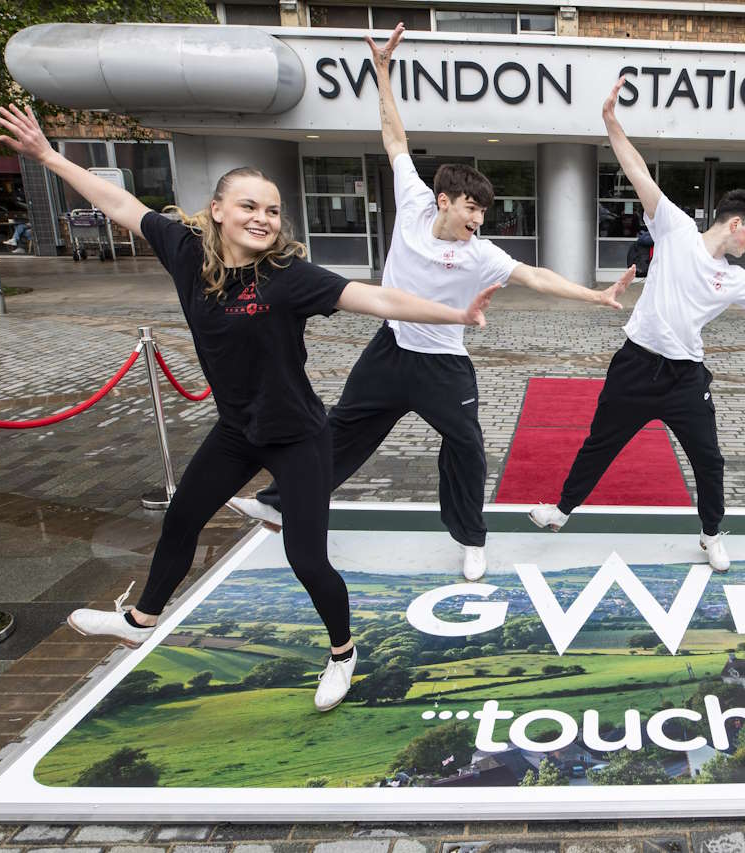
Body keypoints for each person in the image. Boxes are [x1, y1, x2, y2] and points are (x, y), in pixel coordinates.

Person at [0, 102, 499, 713]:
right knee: (182, 519)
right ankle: (140, 617)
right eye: (249, 206)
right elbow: (121, 205)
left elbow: (377, 297)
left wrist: (457, 314)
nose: (262, 218)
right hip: (237, 432)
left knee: (307, 559)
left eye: (272, 209)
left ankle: (343, 653)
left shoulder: (288, 275)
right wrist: (50, 157)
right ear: (218, 211)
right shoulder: (185, 254)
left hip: (299, 437)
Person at [229, 25, 635, 583]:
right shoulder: (415, 201)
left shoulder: (482, 253)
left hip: (443, 363)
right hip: (390, 349)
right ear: (444, 200)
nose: (477, 220)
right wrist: (383, 72)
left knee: (466, 445)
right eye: (471, 208)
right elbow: (395, 137)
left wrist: (594, 293)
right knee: (342, 429)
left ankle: (470, 537)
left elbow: (537, 277)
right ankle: (280, 502)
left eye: (483, 214)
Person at [527, 77, 745, 572]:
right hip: (635, 366)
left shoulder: (736, 280)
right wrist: (611, 124)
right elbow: (638, 172)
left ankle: (711, 534)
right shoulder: (676, 229)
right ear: (735, 224)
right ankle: (561, 511)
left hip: (686, 378)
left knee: (709, 460)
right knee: (601, 444)